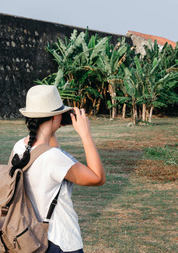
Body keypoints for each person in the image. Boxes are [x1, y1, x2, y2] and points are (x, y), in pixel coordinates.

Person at [10, 85, 106, 253]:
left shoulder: (18, 147)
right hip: (60, 242)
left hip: (30, 237)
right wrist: (86, 135)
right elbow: (98, 178)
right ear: (55, 117)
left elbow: (49, 151)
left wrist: (51, 129)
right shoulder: (54, 158)